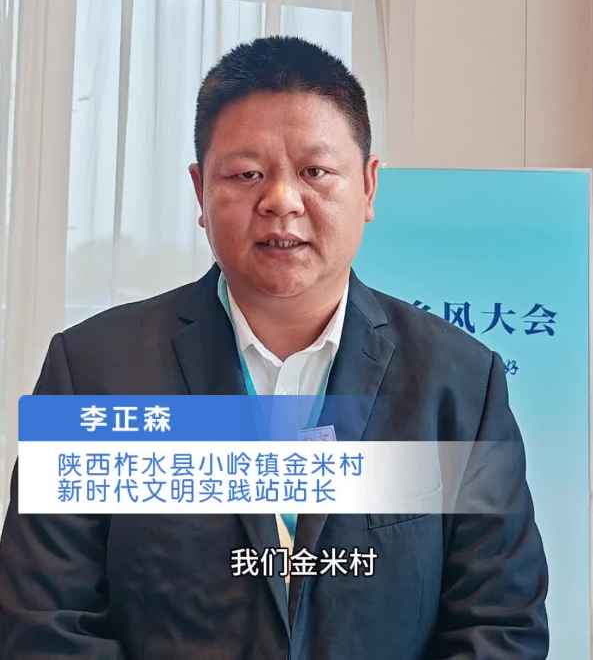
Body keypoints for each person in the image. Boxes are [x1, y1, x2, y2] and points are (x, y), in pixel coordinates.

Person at [0, 36, 549, 659]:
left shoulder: (460, 382)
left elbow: (499, 625)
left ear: (368, 187)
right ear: (200, 191)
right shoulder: (92, 371)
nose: (282, 201)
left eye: (315, 172)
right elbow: (45, 623)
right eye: (246, 174)